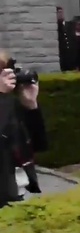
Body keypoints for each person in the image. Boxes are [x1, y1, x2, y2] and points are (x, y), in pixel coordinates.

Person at [0, 57, 46, 208]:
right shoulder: (5, 102)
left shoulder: (10, 103)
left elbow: (39, 144)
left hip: (16, 190)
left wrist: (31, 105)